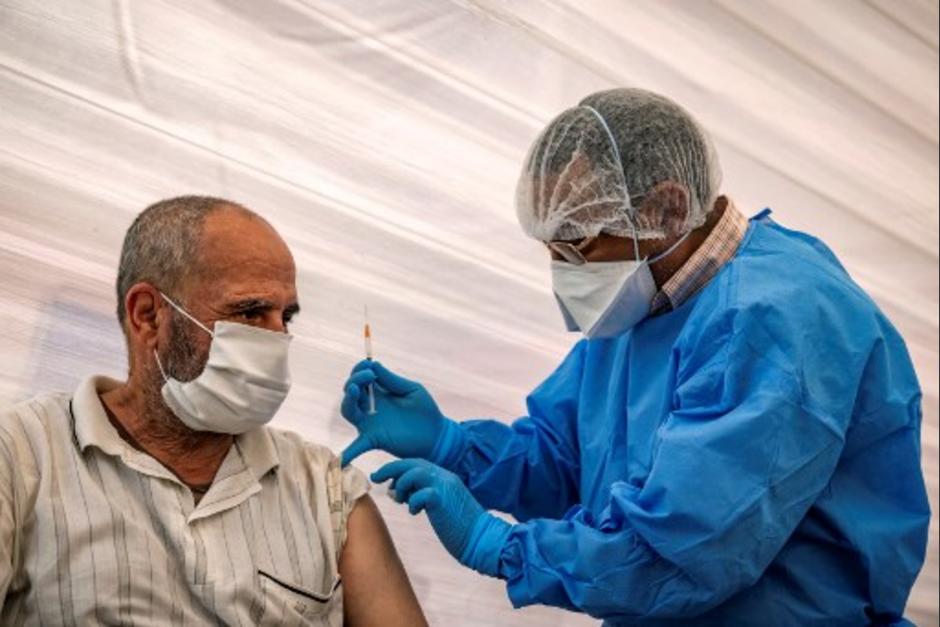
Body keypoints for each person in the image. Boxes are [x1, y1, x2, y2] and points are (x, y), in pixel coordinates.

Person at [339, 89, 930, 626]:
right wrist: (452, 444)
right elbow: (567, 459)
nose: (565, 274)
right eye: (552, 250)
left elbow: (684, 553)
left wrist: (498, 546)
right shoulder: (644, 306)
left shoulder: (776, 318)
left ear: (667, 209)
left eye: (580, 245)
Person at [0, 197, 427, 626]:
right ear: (148, 316)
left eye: (286, 318)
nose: (277, 339)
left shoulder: (326, 490)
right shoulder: (21, 457)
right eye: (250, 311)